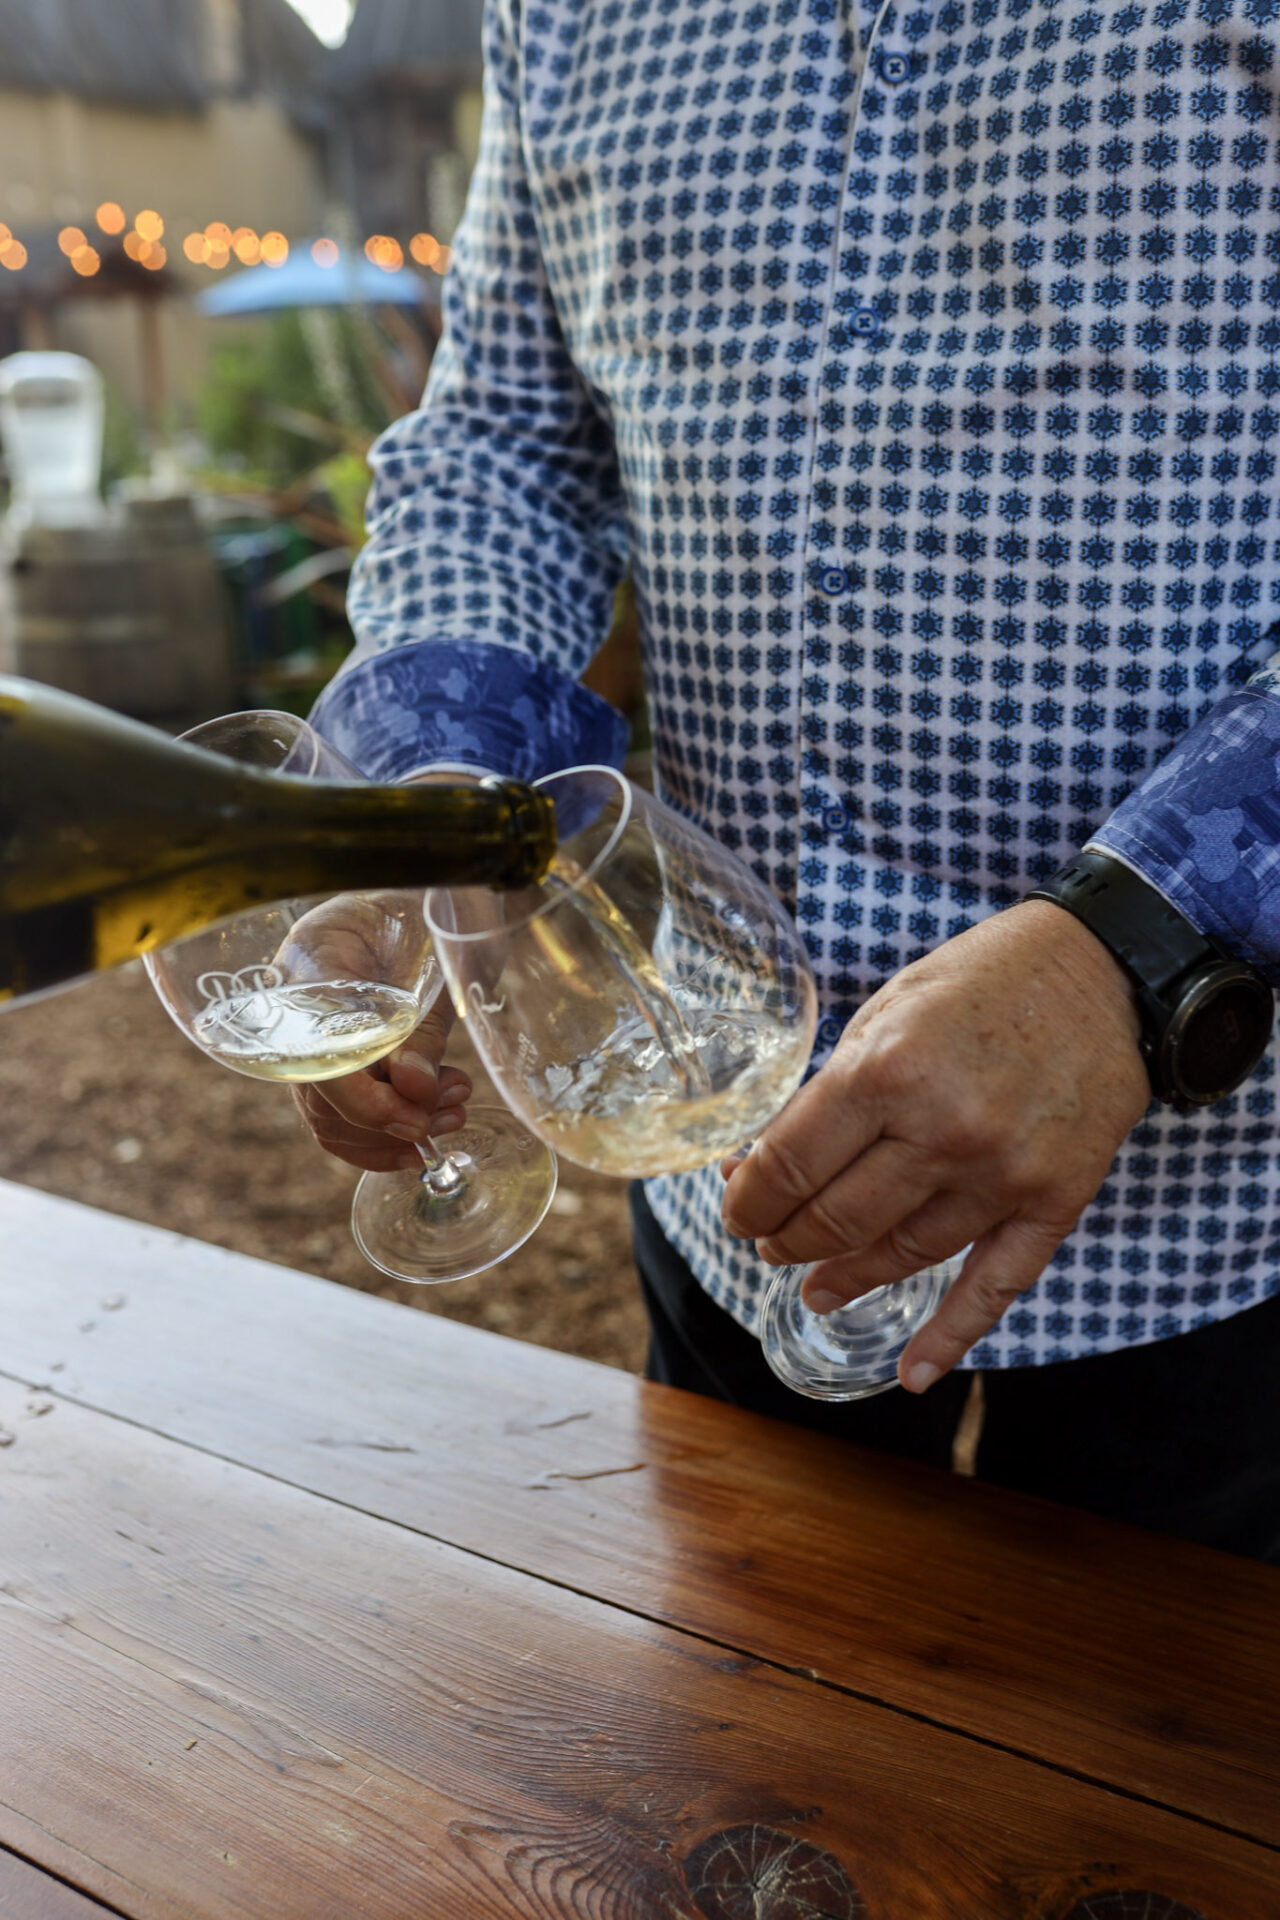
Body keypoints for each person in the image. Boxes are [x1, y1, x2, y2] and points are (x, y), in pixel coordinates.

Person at [297, 0, 1280, 1562]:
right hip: (716, 1157)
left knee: (1175, 1802)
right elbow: (504, 447)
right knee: (744, 1774)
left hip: (1218, 1224)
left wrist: (1144, 948)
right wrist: (426, 799)